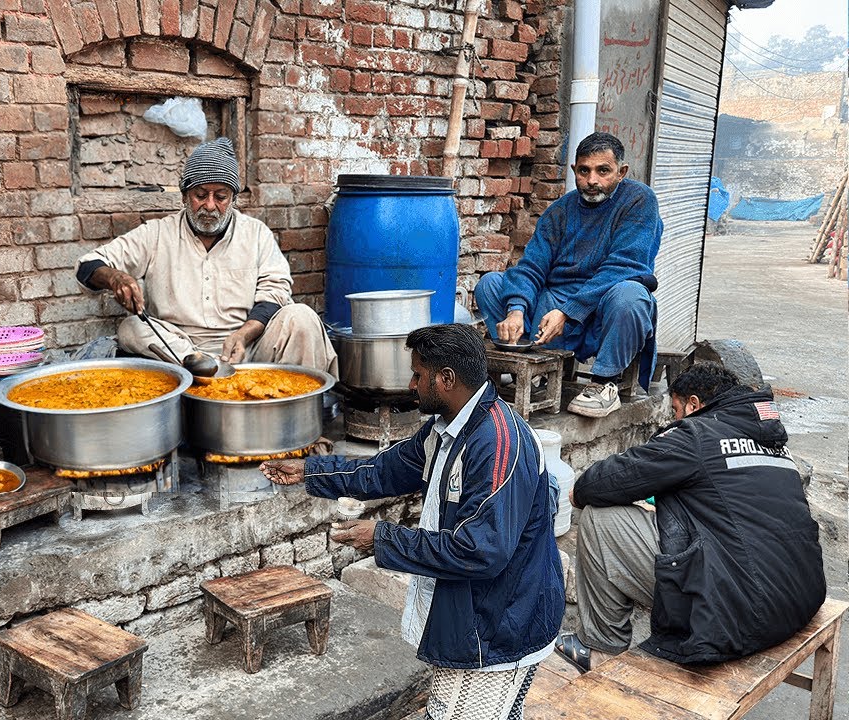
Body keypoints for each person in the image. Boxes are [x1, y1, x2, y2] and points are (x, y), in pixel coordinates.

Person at [262, 324, 563, 720]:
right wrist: (310, 471)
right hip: (476, 616)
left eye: (418, 374)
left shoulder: (498, 444)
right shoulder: (446, 430)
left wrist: (383, 539)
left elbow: (479, 550)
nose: (411, 383)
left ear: (447, 379)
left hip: (501, 627)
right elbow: (382, 470)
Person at [555, 362, 825, 672]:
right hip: (799, 599)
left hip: (740, 614)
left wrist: (578, 491)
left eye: (676, 410)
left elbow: (601, 484)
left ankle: (600, 645)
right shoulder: (774, 443)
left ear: (694, 404)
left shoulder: (697, 433)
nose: (674, 418)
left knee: (600, 519)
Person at [74, 137, 337, 376]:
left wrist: (245, 335)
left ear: (233, 198)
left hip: (248, 350)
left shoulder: (255, 234)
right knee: (132, 328)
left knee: (301, 317)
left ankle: (294, 412)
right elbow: (87, 266)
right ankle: (205, 374)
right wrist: (115, 278)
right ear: (185, 196)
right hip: (181, 353)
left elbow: (275, 291)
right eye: (200, 195)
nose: (210, 205)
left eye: (220, 196)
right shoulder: (156, 234)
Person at [475, 131, 662, 418]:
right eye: (584, 171)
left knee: (631, 296)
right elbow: (532, 266)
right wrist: (515, 309)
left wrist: (568, 311)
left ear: (621, 172)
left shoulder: (639, 200)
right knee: (491, 284)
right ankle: (528, 368)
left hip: (604, 306)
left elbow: (625, 265)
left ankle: (604, 384)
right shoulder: (559, 211)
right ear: (574, 170)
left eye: (603, 171)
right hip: (554, 305)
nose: (592, 180)